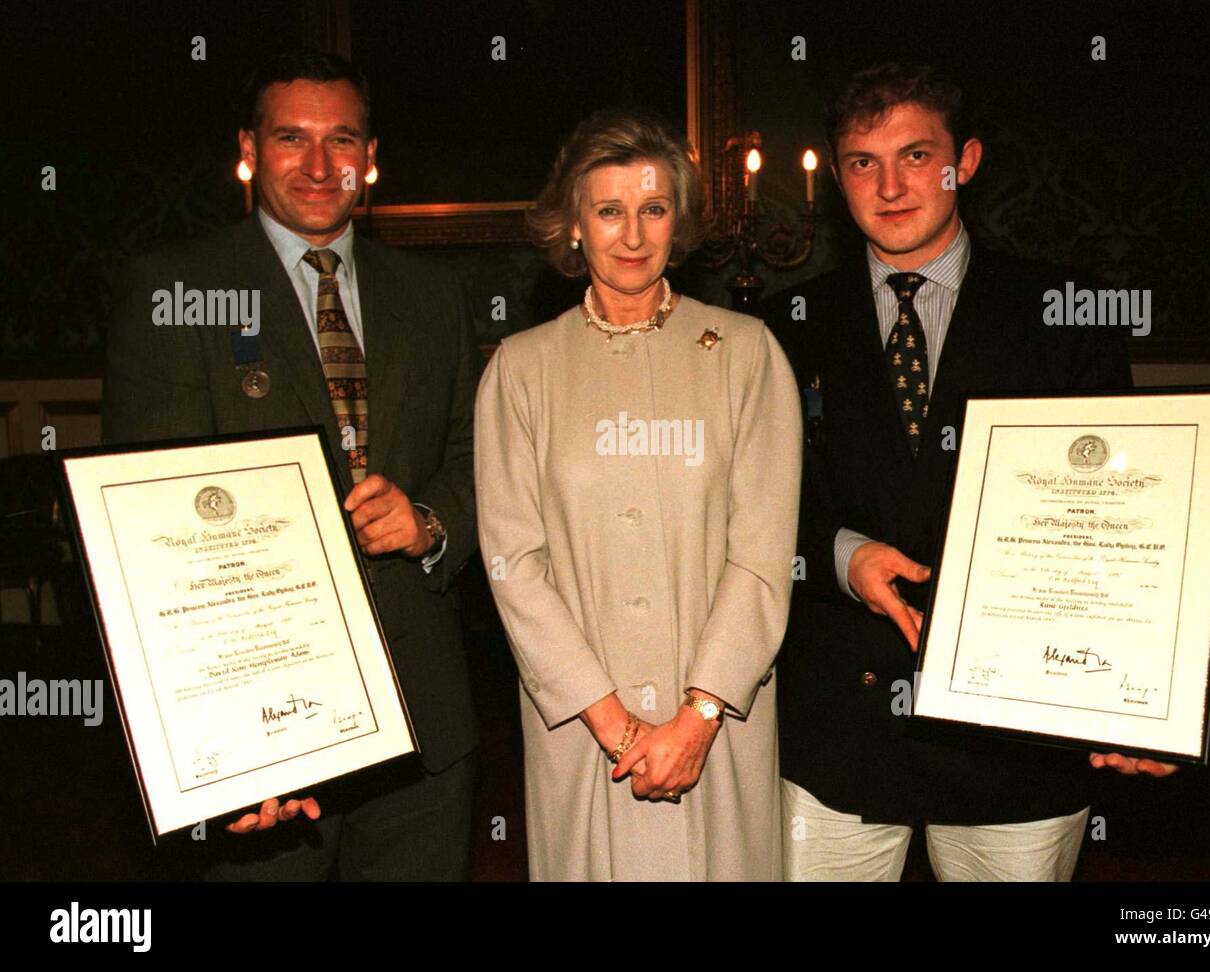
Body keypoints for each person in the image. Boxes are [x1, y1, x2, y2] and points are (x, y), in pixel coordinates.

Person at [765, 62, 1210, 882]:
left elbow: (1120, 525)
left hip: (1018, 737)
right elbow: (757, 507)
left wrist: (1157, 691)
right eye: (862, 162)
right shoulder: (783, 328)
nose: (890, 185)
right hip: (838, 727)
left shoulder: (1063, 313)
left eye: (916, 156)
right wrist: (844, 556)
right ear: (837, 176)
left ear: (967, 161)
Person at [101, 50, 480, 880]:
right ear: (248, 149)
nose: (318, 165)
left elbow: (476, 459)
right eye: (290, 139)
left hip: (425, 718)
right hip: (265, 740)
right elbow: (152, 549)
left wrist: (431, 520)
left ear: (370, 157)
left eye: (341, 140)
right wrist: (219, 752)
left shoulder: (434, 293)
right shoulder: (173, 291)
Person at [474, 110, 802, 880]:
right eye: (609, 211)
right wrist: (618, 727)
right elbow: (514, 569)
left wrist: (699, 714)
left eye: (652, 209)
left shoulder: (747, 354)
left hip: (717, 731)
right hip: (584, 734)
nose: (632, 234)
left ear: (676, 220)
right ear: (575, 227)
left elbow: (762, 557)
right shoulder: (521, 370)